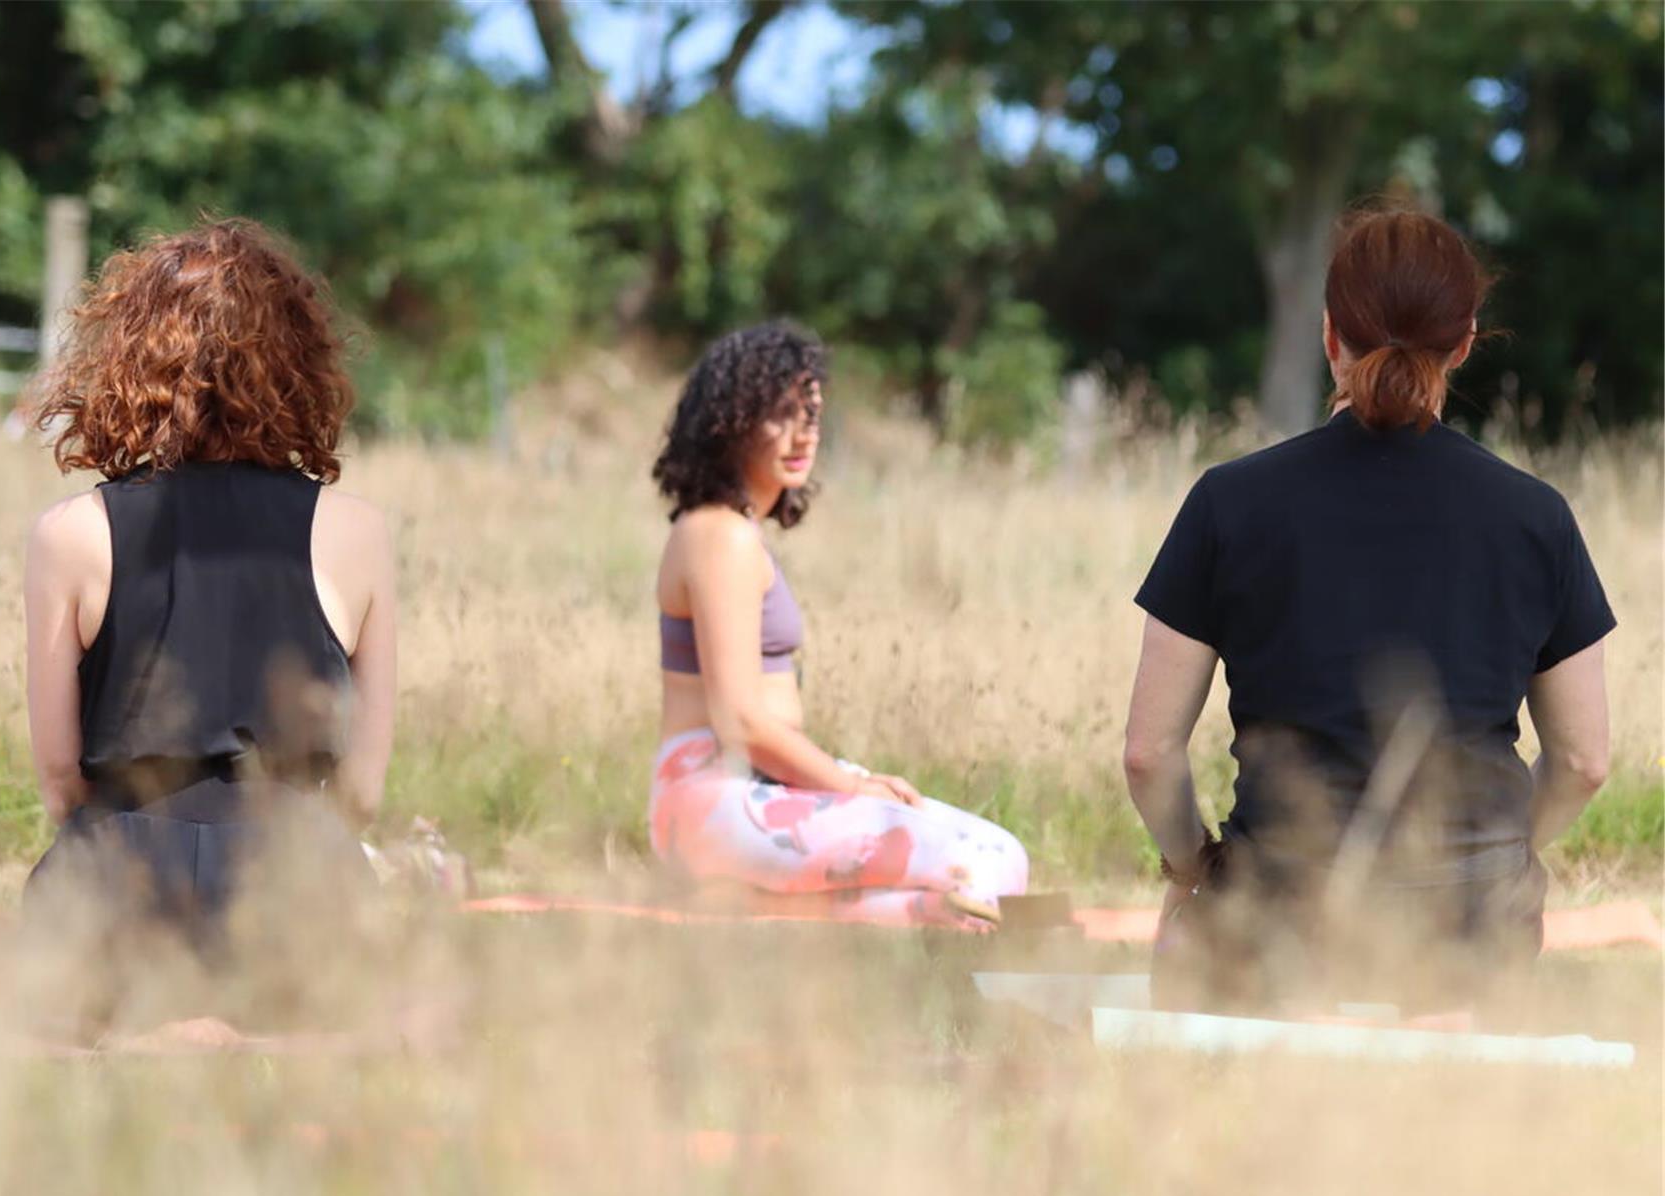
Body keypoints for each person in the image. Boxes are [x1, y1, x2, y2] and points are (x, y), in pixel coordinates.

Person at [1123, 206, 1614, 1011]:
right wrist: (1499, 853)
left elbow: (1149, 754)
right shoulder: (1538, 518)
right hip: (1472, 936)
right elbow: (1586, 762)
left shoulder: (1228, 502)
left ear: (1328, 336)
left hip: (1280, 922)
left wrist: (1191, 872)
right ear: (1464, 343)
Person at [18, 218, 395, 1007]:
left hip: (117, 891)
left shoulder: (70, 534)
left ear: (128, 356)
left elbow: (60, 779)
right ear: (298, 362)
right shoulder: (357, 532)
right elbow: (361, 789)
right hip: (295, 889)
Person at [647, 322, 1029, 929]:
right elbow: (740, 720)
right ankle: (753, 909)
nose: (803, 434)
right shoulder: (720, 535)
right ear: (731, 420)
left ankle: (756, 912)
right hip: (712, 797)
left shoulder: (723, 532)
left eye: (812, 414)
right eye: (781, 414)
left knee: (981, 891)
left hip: (741, 795)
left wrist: (852, 779)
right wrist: (851, 788)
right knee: (991, 859)